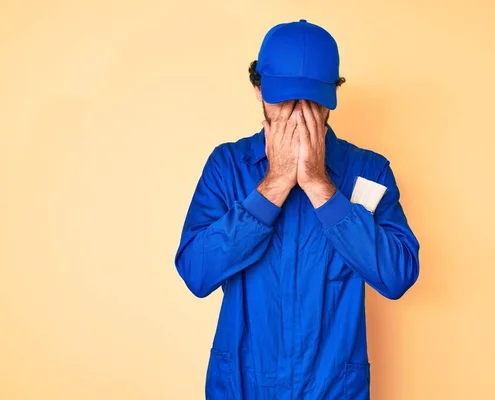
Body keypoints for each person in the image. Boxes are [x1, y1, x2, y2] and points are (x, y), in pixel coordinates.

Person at [174, 18, 420, 400]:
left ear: (332, 98)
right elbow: (196, 273)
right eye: (284, 98)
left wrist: (320, 186)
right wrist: (273, 184)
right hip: (242, 384)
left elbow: (397, 276)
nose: (297, 113)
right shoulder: (227, 167)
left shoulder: (369, 171)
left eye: (311, 101)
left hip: (333, 387)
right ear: (258, 90)